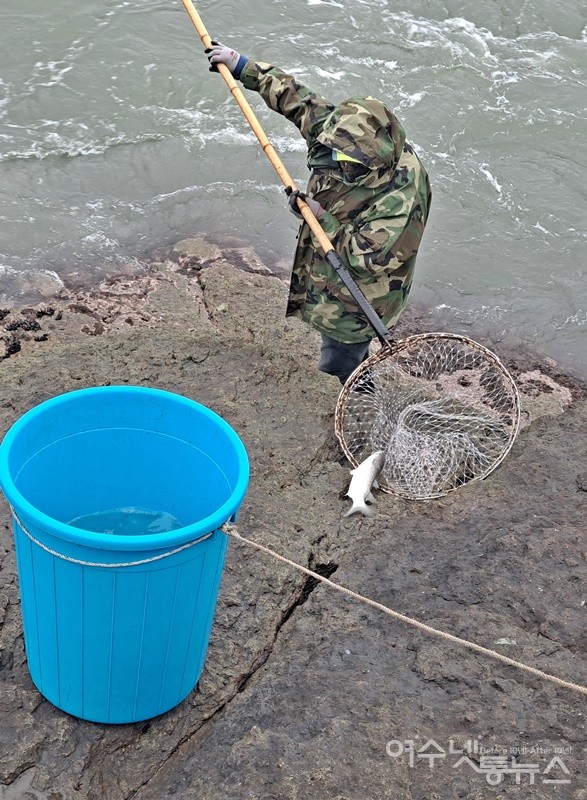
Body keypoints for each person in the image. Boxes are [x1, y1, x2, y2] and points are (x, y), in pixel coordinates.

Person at [205, 43, 432, 384]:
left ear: (372, 159)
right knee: (344, 352)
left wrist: (319, 215)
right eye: (336, 154)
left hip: (361, 298)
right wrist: (243, 66)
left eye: (349, 161)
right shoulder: (343, 133)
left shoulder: (401, 197)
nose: (338, 161)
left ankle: (354, 391)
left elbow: (368, 258)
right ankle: (356, 373)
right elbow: (298, 100)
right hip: (331, 273)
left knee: (339, 359)